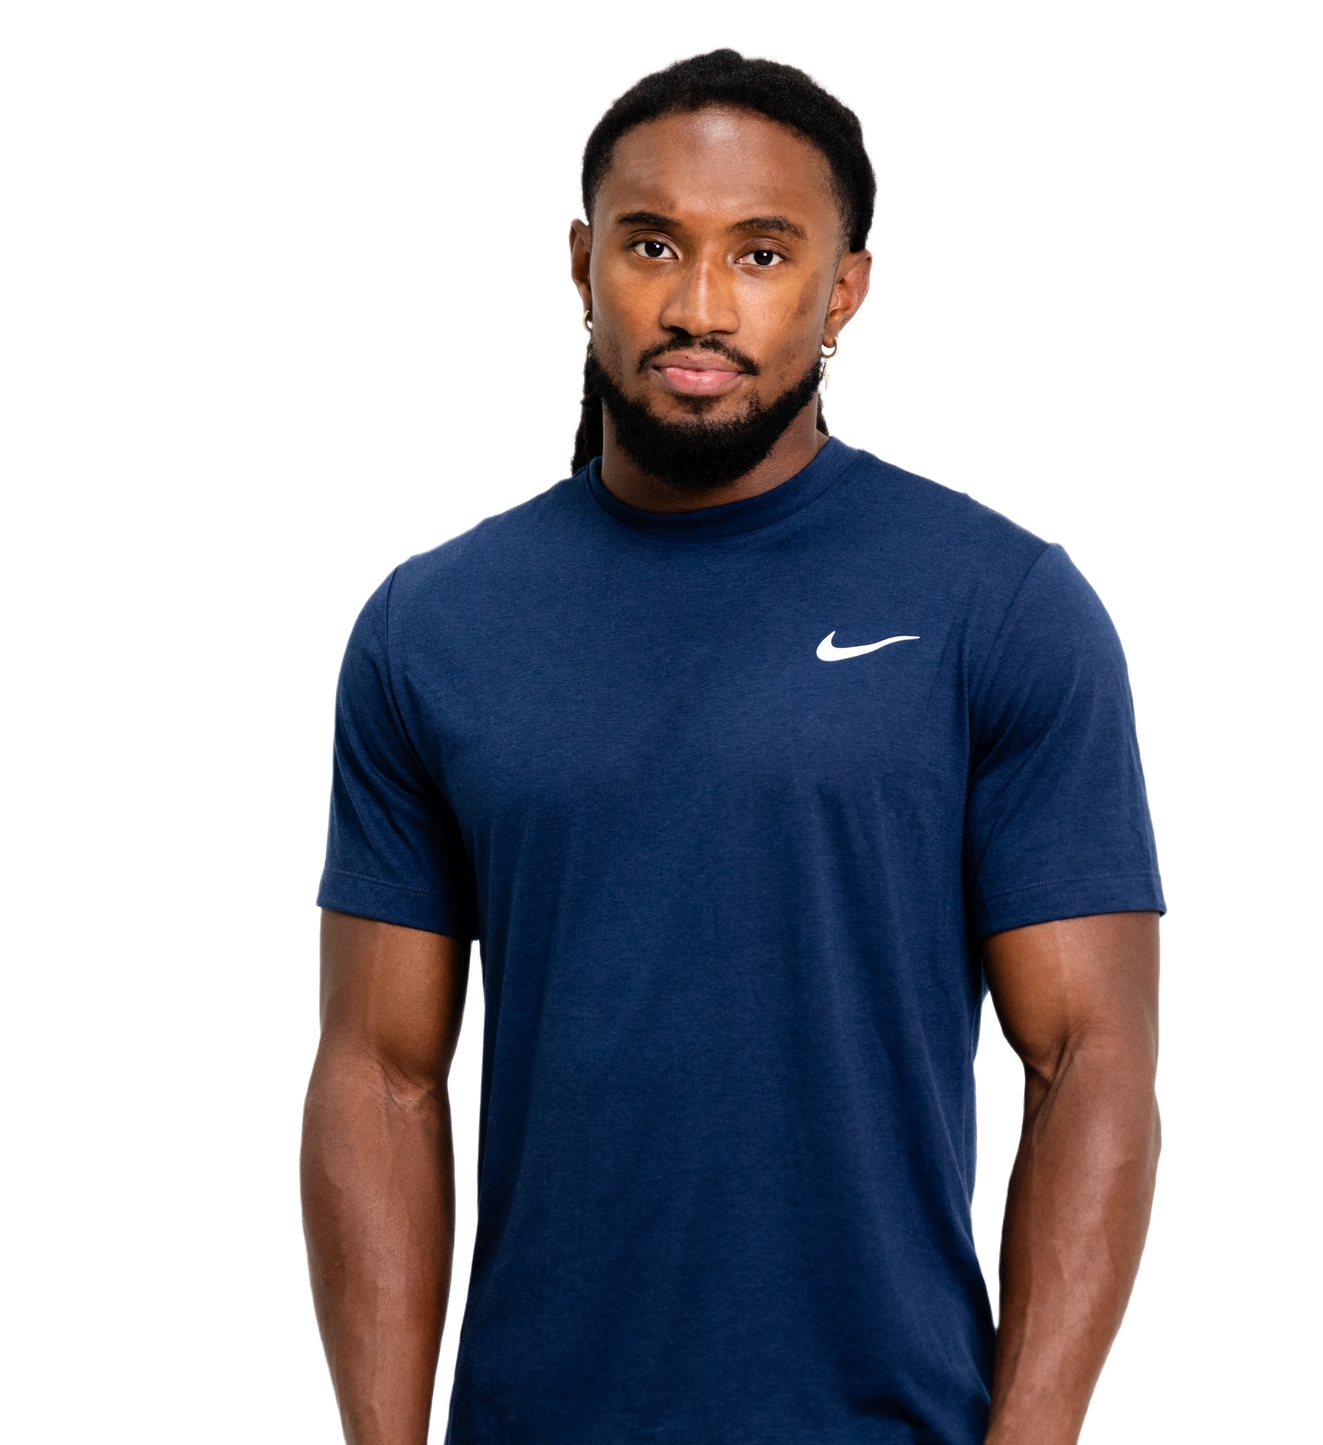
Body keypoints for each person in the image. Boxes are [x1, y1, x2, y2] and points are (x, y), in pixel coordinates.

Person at [298, 44, 1167, 1445]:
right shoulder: (433, 625)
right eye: (653, 245)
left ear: (845, 288)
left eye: (762, 254)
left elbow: (1089, 1057)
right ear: (581, 263)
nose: (699, 305)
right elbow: (381, 1073)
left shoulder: (999, 602)